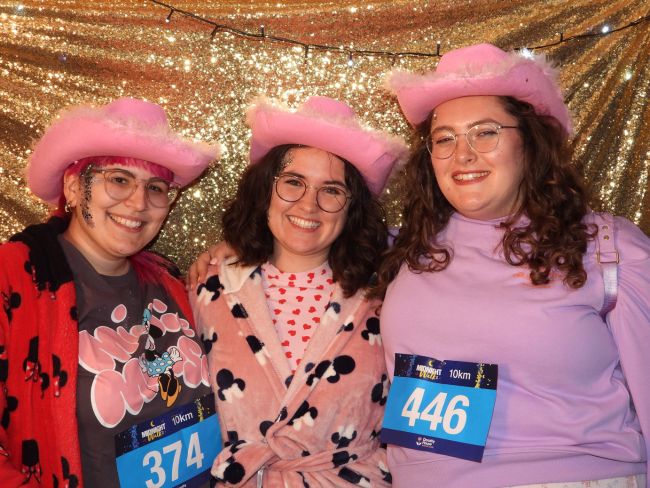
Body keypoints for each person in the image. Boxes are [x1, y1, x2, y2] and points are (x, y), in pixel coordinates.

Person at [375, 43, 650, 487]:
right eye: (444, 138)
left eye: (485, 132)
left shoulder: (606, 248)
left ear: (529, 143)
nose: (462, 154)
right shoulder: (406, 249)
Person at [0, 97, 220, 487]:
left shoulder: (169, 280)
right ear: (72, 186)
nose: (138, 203)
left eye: (155, 187)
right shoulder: (15, 280)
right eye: (119, 179)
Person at [190, 95, 408, 486]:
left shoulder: (389, 292)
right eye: (293, 183)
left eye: (331, 190)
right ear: (265, 191)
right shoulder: (209, 287)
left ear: (351, 206)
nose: (309, 206)